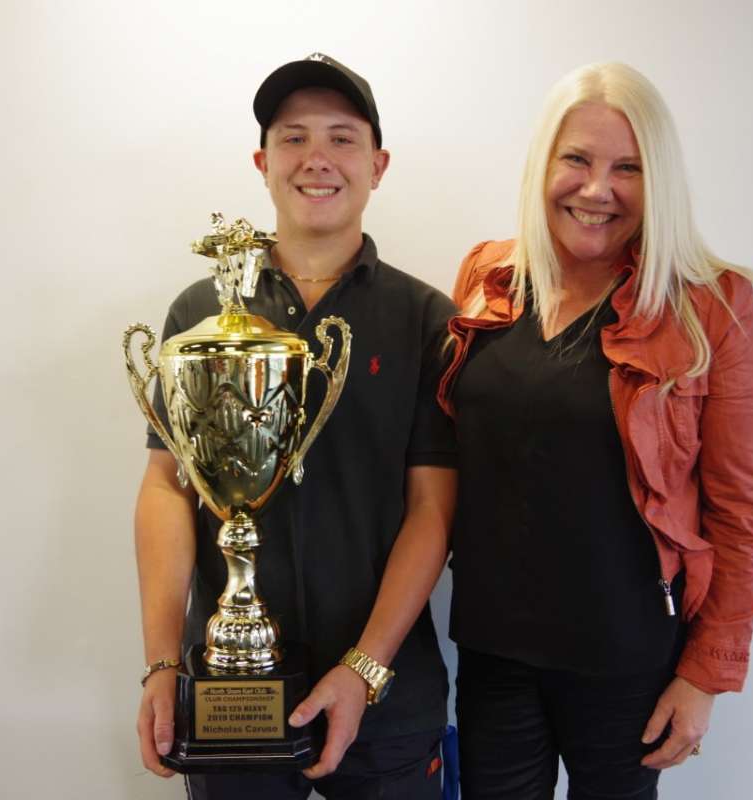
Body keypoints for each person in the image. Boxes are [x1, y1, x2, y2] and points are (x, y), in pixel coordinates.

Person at [437, 63, 753, 799]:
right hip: (492, 650)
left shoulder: (713, 306)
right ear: (543, 165)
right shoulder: (488, 278)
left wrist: (705, 675)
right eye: (577, 160)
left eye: (629, 167)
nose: (597, 189)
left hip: (629, 664)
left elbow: (738, 511)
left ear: (660, 182)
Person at [134, 53, 457, 799]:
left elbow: (433, 510)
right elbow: (166, 486)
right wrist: (163, 663)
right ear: (262, 162)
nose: (318, 158)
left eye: (342, 139)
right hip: (228, 691)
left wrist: (363, 669)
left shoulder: (425, 319)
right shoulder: (200, 316)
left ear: (377, 166)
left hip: (386, 693)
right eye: (293, 138)